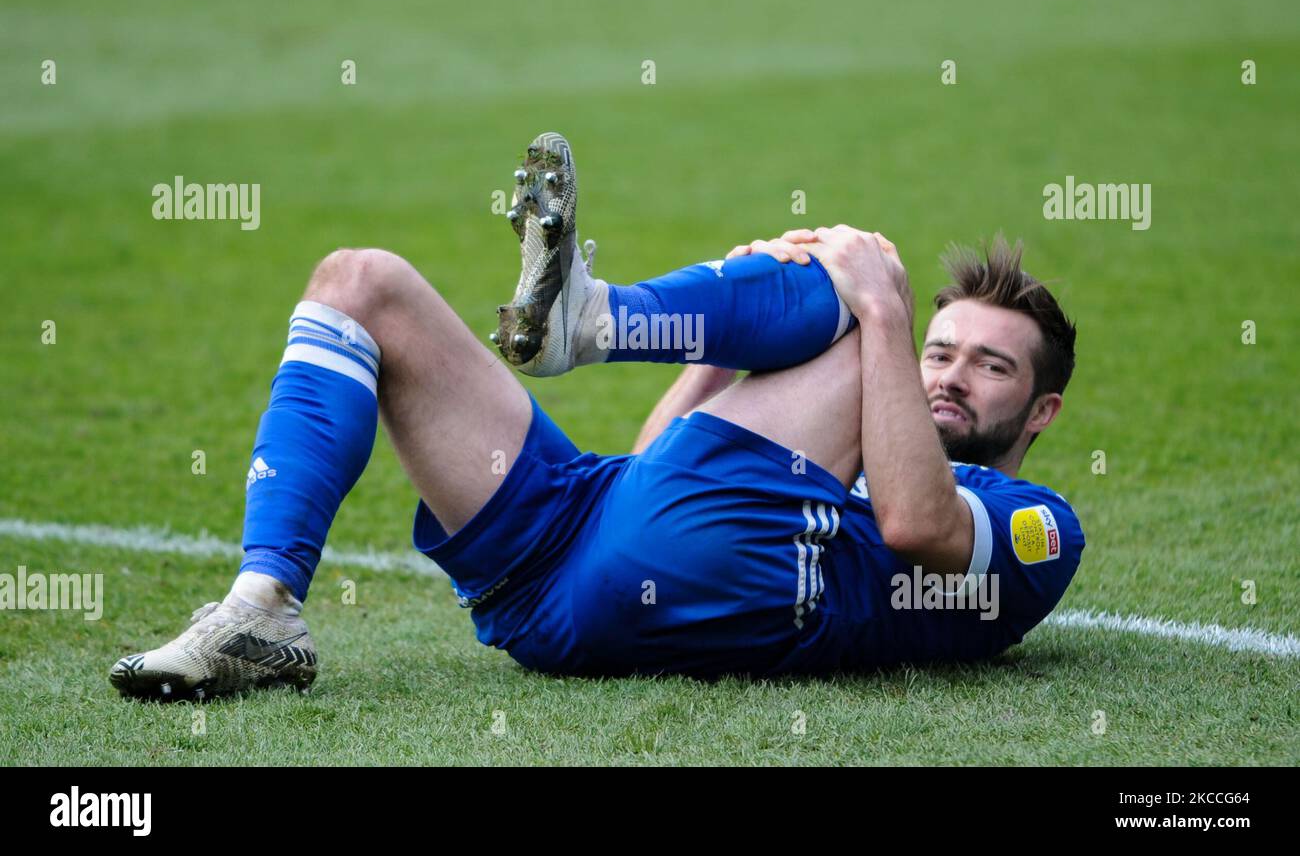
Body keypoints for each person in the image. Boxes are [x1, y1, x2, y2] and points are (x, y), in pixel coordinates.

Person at [110, 132, 1084, 699]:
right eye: (937, 350)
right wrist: (728, 336)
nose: (949, 376)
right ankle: (262, 608)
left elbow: (918, 524)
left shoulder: (1036, 522)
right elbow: (654, 464)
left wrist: (875, 305)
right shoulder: (832, 416)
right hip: (572, 557)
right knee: (360, 285)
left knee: (847, 271)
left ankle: (602, 315)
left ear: (1040, 410)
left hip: (723, 584)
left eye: (989, 367)